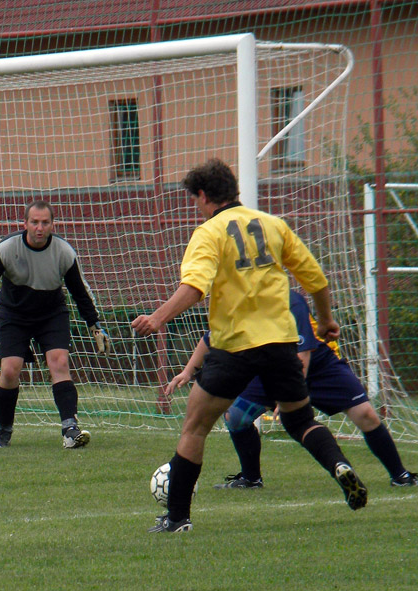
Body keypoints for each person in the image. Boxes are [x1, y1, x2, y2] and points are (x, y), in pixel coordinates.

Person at [131, 158, 367, 533]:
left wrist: (157, 318)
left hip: (235, 346)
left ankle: (176, 519)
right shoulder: (274, 225)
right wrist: (325, 321)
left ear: (204, 195)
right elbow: (316, 280)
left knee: (194, 427)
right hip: (281, 344)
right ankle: (340, 465)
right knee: (300, 419)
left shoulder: (209, 232)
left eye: (195, 199)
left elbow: (194, 288)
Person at [166, 289, 418, 490]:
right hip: (269, 364)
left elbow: (303, 357)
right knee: (236, 417)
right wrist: (188, 371)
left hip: (317, 363)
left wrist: (286, 396)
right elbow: (212, 337)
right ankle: (251, 479)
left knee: (365, 414)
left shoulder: (291, 301)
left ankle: (400, 475)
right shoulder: (237, 300)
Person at [0, 200, 110, 449]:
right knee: (10, 370)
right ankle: (3, 432)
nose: (39, 227)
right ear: (24, 224)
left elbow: (81, 291)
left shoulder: (64, 252)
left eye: (45, 222)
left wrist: (95, 324)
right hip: (13, 315)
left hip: (51, 313)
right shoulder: (6, 249)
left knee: (59, 361)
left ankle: (70, 430)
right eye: (34, 222)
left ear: (52, 225)